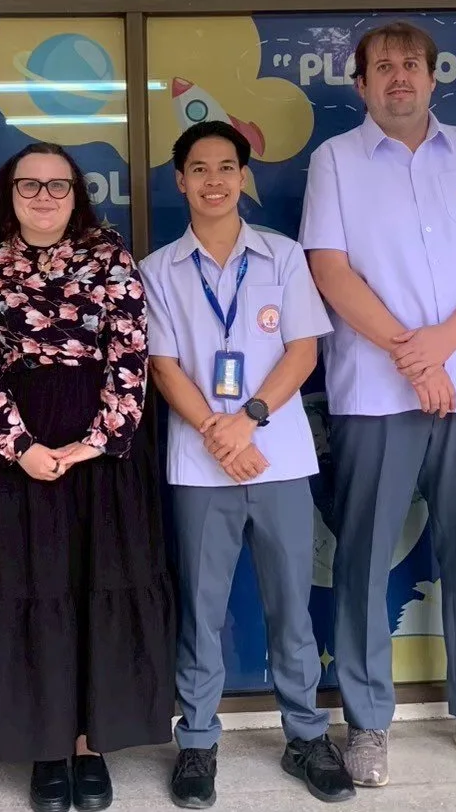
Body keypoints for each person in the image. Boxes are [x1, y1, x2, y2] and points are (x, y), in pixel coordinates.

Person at [298, 21, 456, 787]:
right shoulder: (334, 161)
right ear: (361, 84)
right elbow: (330, 273)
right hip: (375, 395)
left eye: (410, 65)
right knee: (365, 558)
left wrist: (438, 346)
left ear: (433, 77)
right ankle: (366, 724)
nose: (398, 77)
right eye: (382, 67)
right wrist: (414, 353)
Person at [0, 142, 174, 812]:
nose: (44, 197)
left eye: (58, 185)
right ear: (7, 194)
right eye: (30, 186)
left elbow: (130, 358)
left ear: (77, 193)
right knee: (36, 588)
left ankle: (88, 745)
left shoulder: (110, 260)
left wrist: (92, 443)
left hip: (102, 454)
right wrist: (18, 446)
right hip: (20, 455)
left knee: (94, 586)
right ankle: (46, 748)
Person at [141, 121, 354, 808]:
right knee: (200, 610)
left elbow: (302, 352)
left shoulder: (283, 258)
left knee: (291, 603)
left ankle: (305, 735)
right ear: (179, 181)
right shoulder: (157, 271)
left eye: (226, 167)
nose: (212, 181)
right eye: (198, 169)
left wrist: (247, 420)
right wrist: (214, 429)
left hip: (277, 454)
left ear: (242, 177)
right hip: (201, 464)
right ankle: (197, 740)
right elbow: (162, 364)